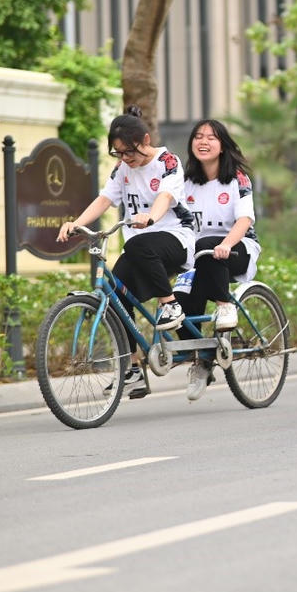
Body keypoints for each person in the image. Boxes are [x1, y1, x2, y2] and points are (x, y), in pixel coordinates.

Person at [56, 107, 195, 398]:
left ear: (145, 140)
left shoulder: (167, 161)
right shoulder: (122, 169)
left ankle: (170, 305)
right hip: (141, 248)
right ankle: (132, 370)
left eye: (129, 152)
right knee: (115, 294)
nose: (125, 159)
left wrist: (151, 218)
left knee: (136, 244)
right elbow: (105, 199)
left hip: (175, 238)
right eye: (119, 153)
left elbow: (165, 196)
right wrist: (76, 224)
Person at [177, 119, 260, 401]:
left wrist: (226, 243)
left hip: (237, 247)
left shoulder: (237, 178)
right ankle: (201, 360)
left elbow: (245, 219)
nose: (203, 142)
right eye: (198, 136)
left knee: (210, 246)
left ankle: (225, 305)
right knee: (176, 301)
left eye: (211, 138)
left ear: (222, 145)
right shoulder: (185, 183)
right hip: (198, 255)